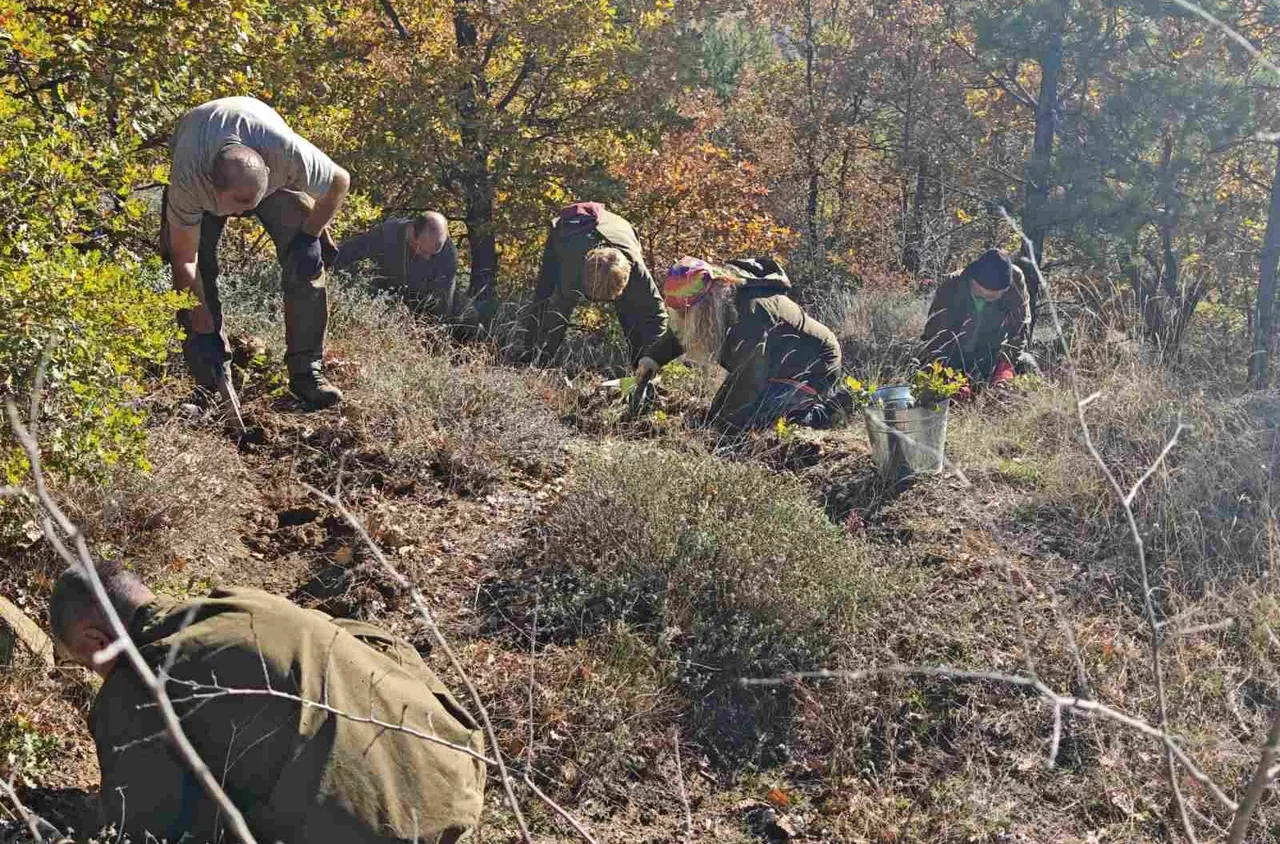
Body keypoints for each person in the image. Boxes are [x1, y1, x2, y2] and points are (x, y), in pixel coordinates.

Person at [50, 563, 485, 844]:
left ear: (96, 641)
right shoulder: (240, 601)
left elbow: (148, 829)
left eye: (87, 662)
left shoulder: (138, 683)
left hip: (386, 832)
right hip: (456, 779)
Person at [160, 96, 351, 409]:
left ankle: (307, 374)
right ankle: (211, 383)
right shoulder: (189, 182)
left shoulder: (286, 153)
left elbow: (340, 181)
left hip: (266, 167)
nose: (242, 217)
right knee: (193, 283)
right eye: (236, 208)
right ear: (212, 190)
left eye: (251, 206)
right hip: (201, 153)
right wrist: (200, 316)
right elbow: (186, 262)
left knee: (307, 260)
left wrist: (309, 236)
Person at [654, 256, 845, 432]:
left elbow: (750, 379)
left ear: (705, 304)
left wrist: (722, 434)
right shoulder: (716, 300)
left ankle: (829, 411)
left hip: (813, 365)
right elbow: (687, 328)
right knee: (715, 416)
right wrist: (652, 359)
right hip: (770, 363)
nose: (680, 316)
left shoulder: (750, 313)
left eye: (685, 312)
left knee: (760, 423)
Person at [518, 202, 681, 370]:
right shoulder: (572, 268)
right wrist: (544, 358)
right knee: (543, 297)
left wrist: (652, 359)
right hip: (570, 231)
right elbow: (558, 313)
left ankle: (639, 373)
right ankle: (532, 358)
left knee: (632, 313)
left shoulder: (636, 270)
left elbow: (657, 315)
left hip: (620, 228)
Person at [920, 248, 1031, 394]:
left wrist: (1005, 368)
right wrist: (950, 377)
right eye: (980, 295)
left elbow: (1020, 328)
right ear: (972, 280)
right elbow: (935, 337)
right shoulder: (951, 285)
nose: (985, 300)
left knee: (1028, 365)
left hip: (992, 355)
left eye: (992, 298)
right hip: (954, 357)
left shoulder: (1016, 280)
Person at [334, 212, 459, 319]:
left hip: (421, 310)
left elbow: (443, 302)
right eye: (423, 251)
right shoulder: (387, 234)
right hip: (382, 301)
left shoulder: (448, 254)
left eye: (434, 254)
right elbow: (349, 252)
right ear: (411, 233)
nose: (427, 258)